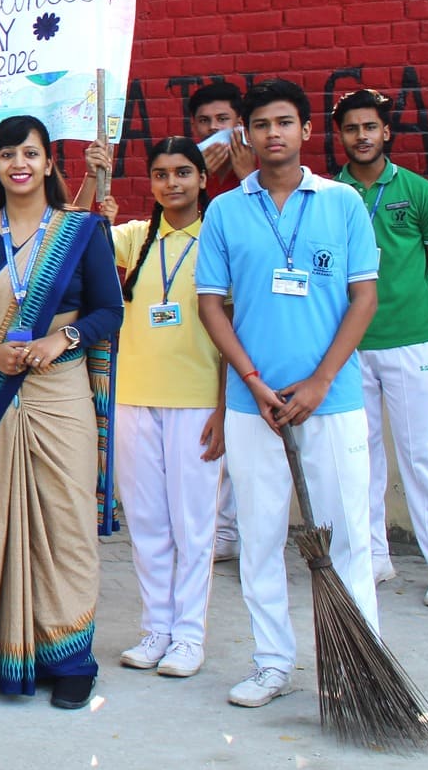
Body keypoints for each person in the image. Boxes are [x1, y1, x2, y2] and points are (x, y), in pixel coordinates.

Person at [196, 79, 380, 709]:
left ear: (305, 130)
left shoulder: (342, 202)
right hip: (255, 405)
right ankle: (272, 662)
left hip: (332, 399)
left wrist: (322, 379)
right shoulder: (226, 210)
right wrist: (251, 381)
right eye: (261, 124)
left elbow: (364, 298)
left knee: (348, 537)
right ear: (245, 134)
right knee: (260, 537)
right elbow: (211, 306)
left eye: (284, 122)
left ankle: (359, 669)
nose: (273, 133)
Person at [0, 116, 123, 710]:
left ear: (48, 164)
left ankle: (71, 659)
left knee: (67, 525)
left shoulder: (82, 231)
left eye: (31, 153)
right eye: (8, 154)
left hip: (59, 392)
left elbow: (108, 311)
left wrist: (61, 340)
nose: (20, 163)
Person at [97, 137, 222, 680]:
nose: (172, 183)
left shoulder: (218, 235)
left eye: (183, 173)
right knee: (147, 522)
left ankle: (189, 636)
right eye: (162, 174)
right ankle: (156, 629)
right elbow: (74, 243)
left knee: (193, 524)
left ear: (202, 178)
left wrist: (224, 407)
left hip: (197, 401)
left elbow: (234, 325)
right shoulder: (135, 237)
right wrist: (95, 185)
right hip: (133, 398)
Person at [331, 89, 428, 608]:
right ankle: (373, 556)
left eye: (370, 127)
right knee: (359, 456)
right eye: (351, 128)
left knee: (421, 454)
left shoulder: (420, 192)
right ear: (340, 136)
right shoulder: (329, 195)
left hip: (408, 341)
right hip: (349, 345)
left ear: (386, 132)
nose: (361, 136)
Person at [188, 80, 251, 562]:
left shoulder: (258, 175)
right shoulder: (191, 174)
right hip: (207, 313)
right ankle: (222, 529)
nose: (214, 130)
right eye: (205, 122)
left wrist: (244, 174)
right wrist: (201, 179)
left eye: (223, 121)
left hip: (254, 313)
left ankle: (247, 532)